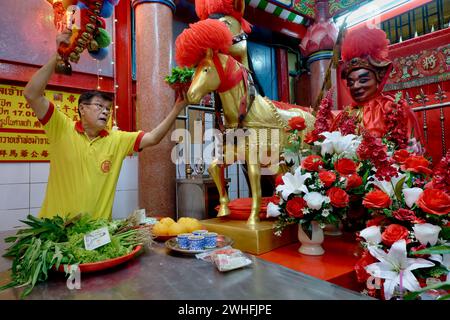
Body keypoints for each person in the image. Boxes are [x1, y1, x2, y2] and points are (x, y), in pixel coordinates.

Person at [24, 29, 188, 220]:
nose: (105, 111)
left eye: (108, 108)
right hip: (56, 233)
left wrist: (177, 108)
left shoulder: (116, 139)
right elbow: (31, 94)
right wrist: (59, 54)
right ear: (82, 109)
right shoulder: (61, 127)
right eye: (99, 106)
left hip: (96, 236)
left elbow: (153, 138)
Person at [331, 24, 424, 150]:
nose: (356, 86)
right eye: (351, 83)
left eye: (363, 80)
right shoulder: (344, 116)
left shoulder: (393, 108)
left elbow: (412, 154)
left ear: (378, 77)